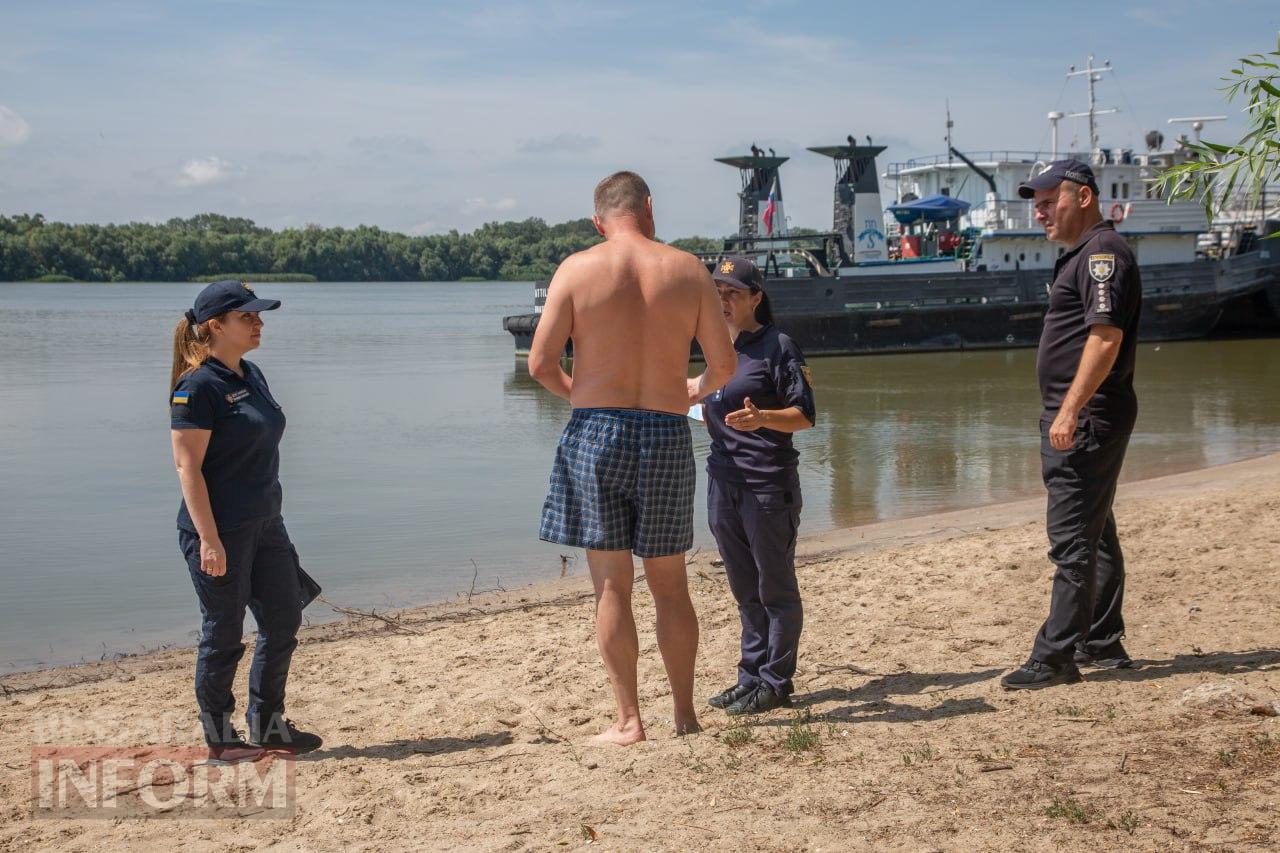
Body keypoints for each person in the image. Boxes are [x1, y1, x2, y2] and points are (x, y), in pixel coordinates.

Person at [529, 171, 737, 745]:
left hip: (596, 431)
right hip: (667, 432)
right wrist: (688, 394)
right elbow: (723, 368)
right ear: (649, 206)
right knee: (670, 584)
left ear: (599, 221)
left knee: (611, 585)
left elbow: (541, 365)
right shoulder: (688, 270)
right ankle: (686, 716)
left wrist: (587, 396)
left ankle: (629, 722)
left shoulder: (577, 268)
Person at [1001, 160, 1142, 690]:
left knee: (1071, 539)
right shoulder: (1084, 254)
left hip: (1085, 417)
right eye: (1033, 202)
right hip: (1087, 413)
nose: (1038, 211)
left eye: (1047, 200)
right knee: (1095, 527)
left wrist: (1069, 409)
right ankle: (1101, 639)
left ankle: (1056, 657)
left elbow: (1105, 338)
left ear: (1082, 197)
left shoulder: (1102, 255)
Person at [170, 279, 323, 759]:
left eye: (259, 316)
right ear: (215, 326)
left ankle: (269, 724)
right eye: (247, 317)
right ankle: (220, 739)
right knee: (224, 634)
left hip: (265, 524)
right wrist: (209, 540)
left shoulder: (250, 374)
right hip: (219, 530)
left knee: (283, 619)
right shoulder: (196, 388)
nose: (258, 323)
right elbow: (187, 467)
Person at [698, 257, 815, 715]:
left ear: (756, 298)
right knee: (745, 590)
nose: (723, 301)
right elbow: (709, 408)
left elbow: (805, 416)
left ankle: (777, 681)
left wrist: (763, 417)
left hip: (768, 487)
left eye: (732, 293)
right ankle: (750, 678)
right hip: (723, 485)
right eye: (717, 293)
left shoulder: (778, 346)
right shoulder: (718, 349)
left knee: (776, 590)